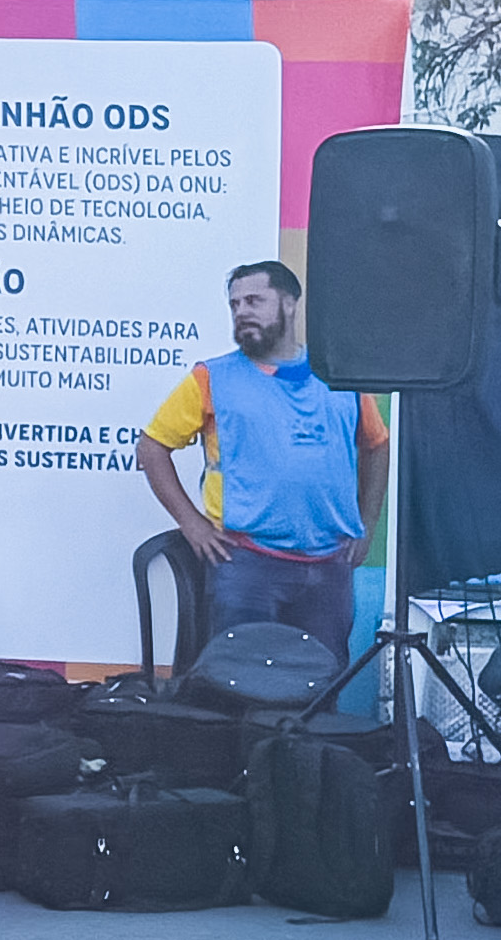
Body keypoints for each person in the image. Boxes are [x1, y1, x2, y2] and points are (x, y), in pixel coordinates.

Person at [132, 259, 388, 653]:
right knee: (241, 680)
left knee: (322, 681)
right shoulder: (211, 378)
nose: (242, 312)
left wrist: (367, 524)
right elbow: (151, 447)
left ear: (289, 303)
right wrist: (192, 524)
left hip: (329, 567)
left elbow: (377, 444)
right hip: (246, 565)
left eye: (254, 301)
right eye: (235, 304)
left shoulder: (340, 377)